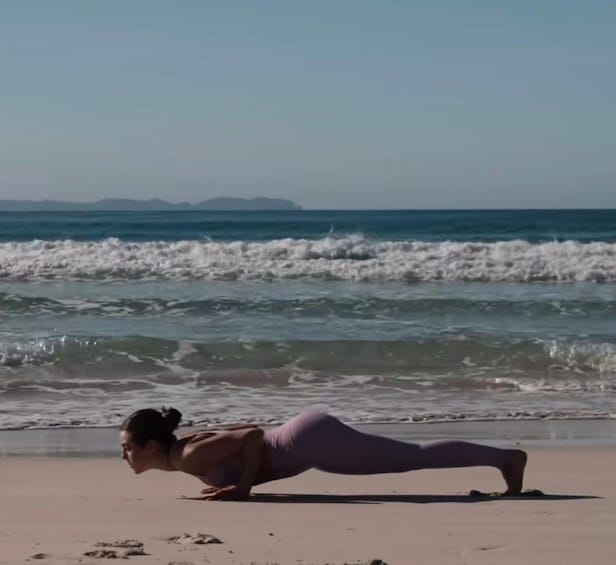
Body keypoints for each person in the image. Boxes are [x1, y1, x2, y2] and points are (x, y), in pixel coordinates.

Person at [119, 408, 527, 501]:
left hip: (306, 442)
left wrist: (242, 490)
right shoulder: (182, 456)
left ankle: (505, 459)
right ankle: (502, 459)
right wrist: (231, 483)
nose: (124, 456)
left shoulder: (188, 457)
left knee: (412, 456)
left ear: (150, 446)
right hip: (307, 442)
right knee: (409, 456)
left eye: (126, 448)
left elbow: (251, 436)